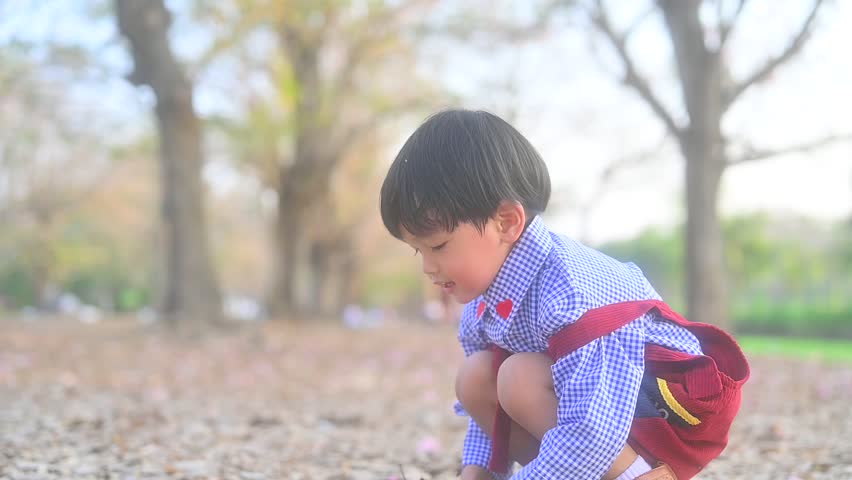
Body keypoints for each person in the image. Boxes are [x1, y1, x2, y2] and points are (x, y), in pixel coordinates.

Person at [379, 109, 750, 480]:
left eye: (439, 246)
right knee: (478, 376)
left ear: (507, 222)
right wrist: (477, 471)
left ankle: (641, 475)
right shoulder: (482, 304)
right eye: (419, 251)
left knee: (518, 377)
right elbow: (489, 416)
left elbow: (592, 429)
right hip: (593, 406)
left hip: (670, 407)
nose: (428, 267)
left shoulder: (570, 294)